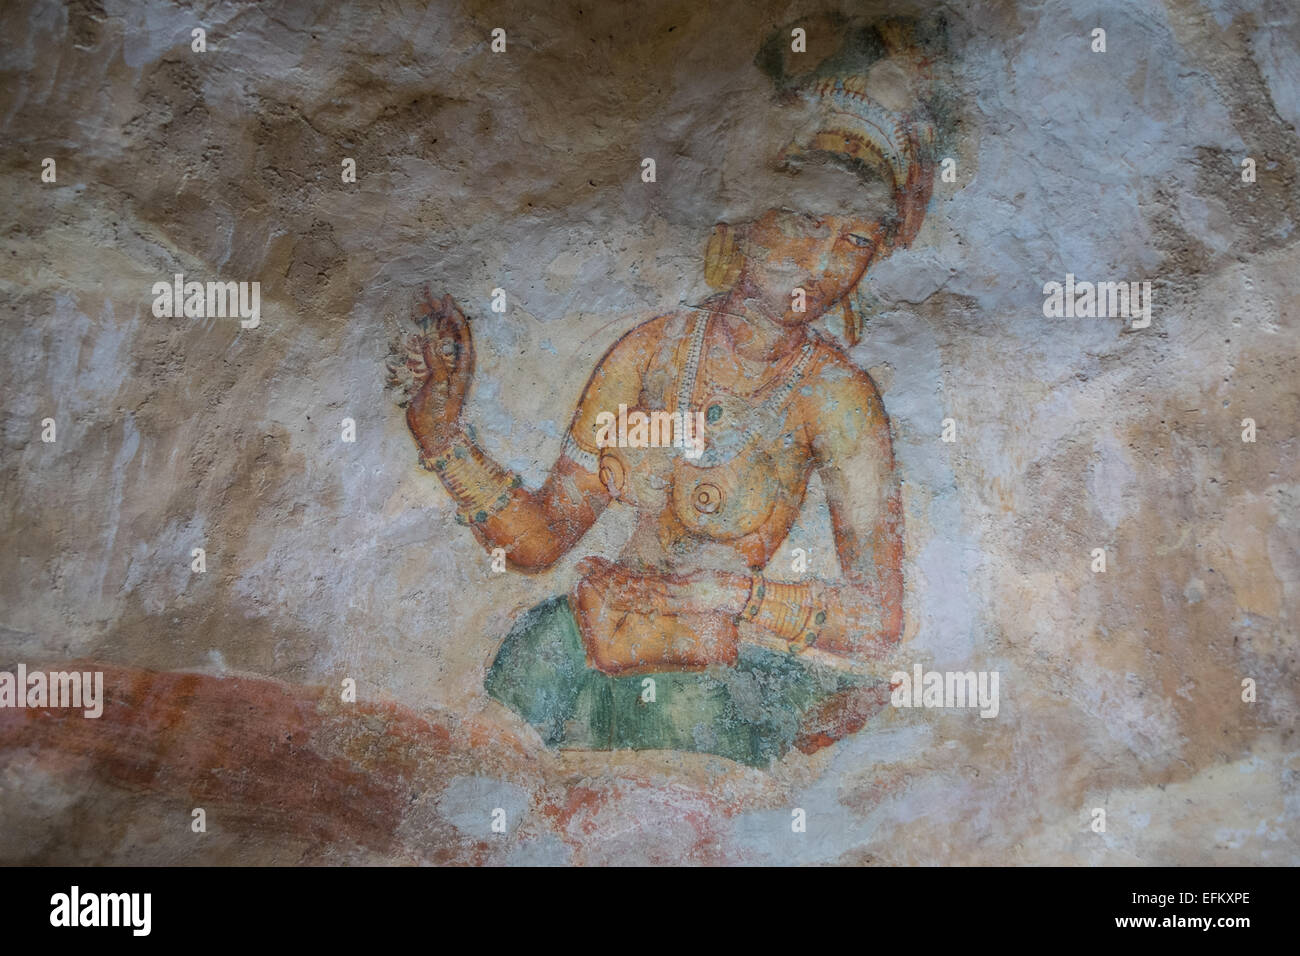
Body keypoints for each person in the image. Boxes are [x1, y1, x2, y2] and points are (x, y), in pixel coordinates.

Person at [388, 25, 940, 767]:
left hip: (712, 694)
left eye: (856, 242)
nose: (825, 265)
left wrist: (746, 600)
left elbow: (877, 618)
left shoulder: (837, 398)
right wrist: (442, 438)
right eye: (808, 223)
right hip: (571, 659)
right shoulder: (651, 353)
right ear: (748, 219)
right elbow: (543, 540)